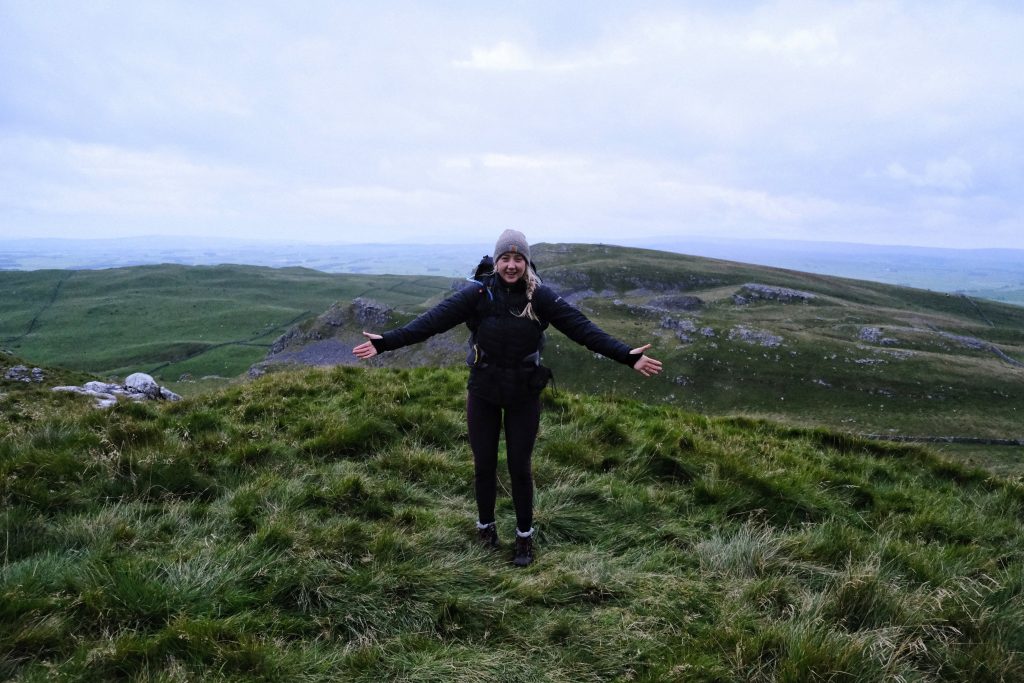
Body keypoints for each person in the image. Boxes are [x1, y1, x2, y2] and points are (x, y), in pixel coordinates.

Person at [353, 230, 663, 566]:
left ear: (526, 262)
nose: (511, 265)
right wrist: (385, 343)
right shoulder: (478, 293)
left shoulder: (539, 296)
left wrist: (626, 355)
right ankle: (485, 529)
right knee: (484, 465)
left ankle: (524, 538)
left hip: (524, 393)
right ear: (496, 261)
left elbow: (582, 329)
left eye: (518, 259)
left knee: (519, 467)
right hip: (483, 389)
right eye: (505, 258)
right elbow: (431, 323)